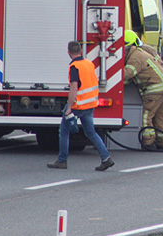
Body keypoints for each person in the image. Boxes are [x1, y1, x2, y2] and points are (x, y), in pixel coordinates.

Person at [48, 40, 114, 170]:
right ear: (81, 51)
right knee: (91, 132)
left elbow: (74, 87)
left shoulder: (74, 67)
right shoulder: (89, 64)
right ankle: (106, 158)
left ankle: (62, 161)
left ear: (68, 53)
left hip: (78, 104)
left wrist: (69, 108)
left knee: (64, 131)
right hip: (90, 104)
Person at [123, 30, 163, 150]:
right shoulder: (141, 52)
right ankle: (162, 142)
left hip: (154, 90)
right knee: (159, 116)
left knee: (146, 117)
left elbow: (127, 74)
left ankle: (148, 142)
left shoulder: (135, 57)